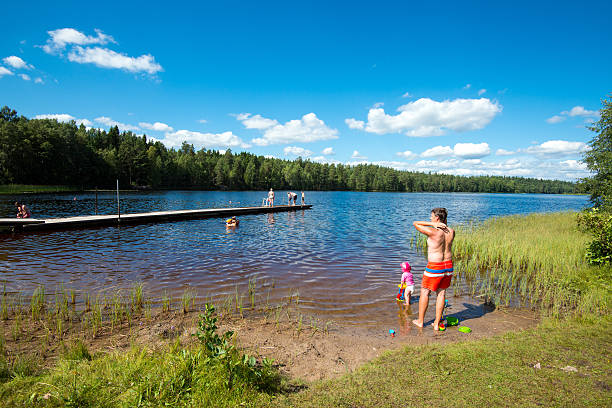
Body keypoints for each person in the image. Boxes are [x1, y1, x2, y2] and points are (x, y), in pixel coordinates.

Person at [412, 208, 455, 331]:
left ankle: (420, 321)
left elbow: (415, 223)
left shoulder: (433, 232)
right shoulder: (451, 231)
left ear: (437, 218)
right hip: (448, 266)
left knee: (425, 292)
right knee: (441, 293)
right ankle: (436, 323)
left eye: (431, 217)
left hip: (435, 266)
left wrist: (433, 224)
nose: (430, 219)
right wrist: (439, 223)